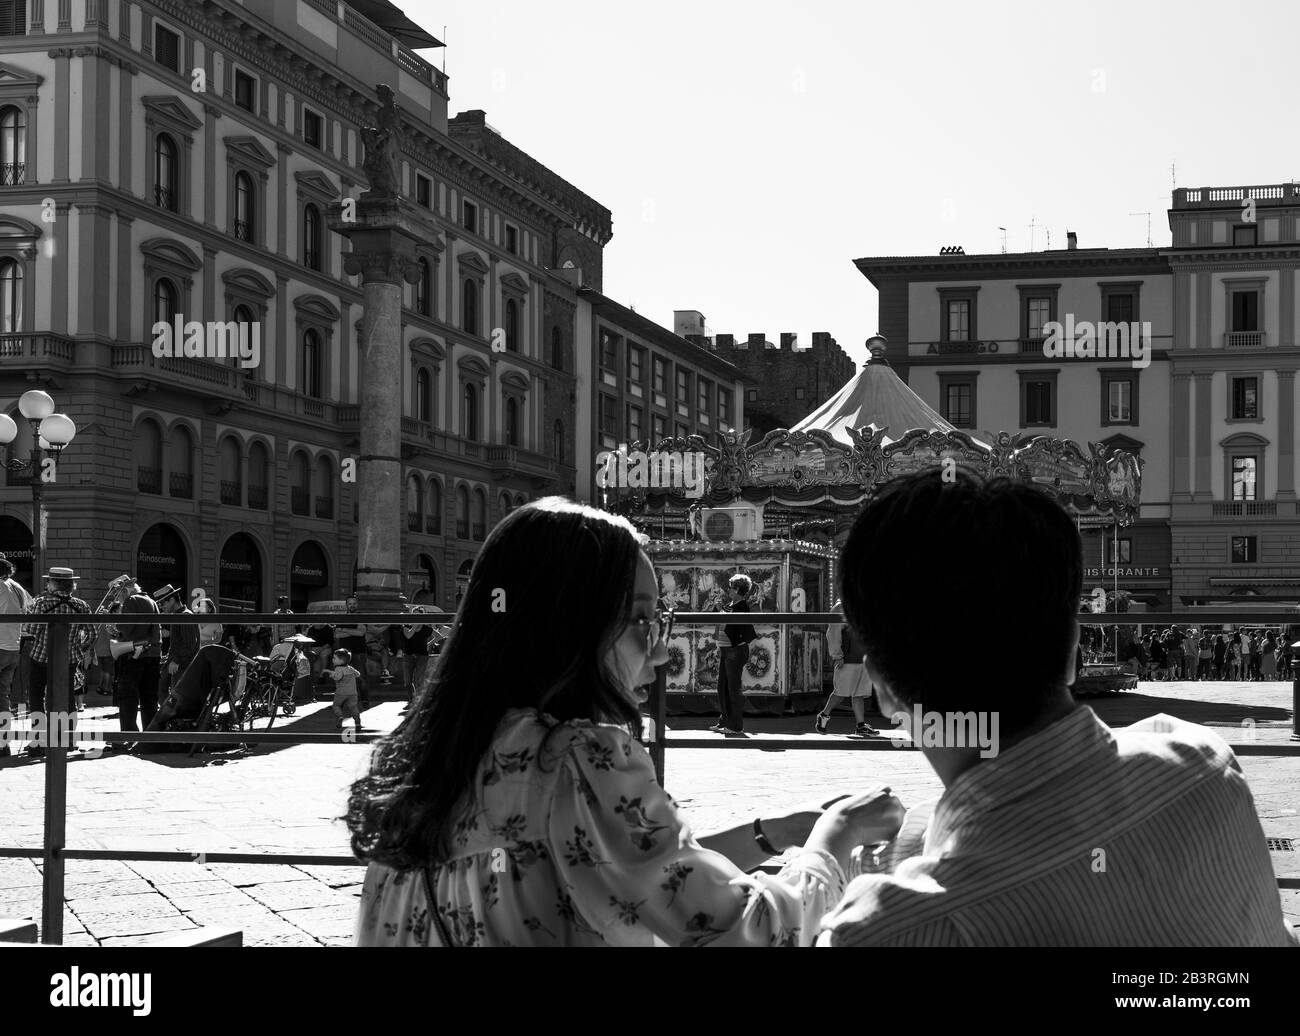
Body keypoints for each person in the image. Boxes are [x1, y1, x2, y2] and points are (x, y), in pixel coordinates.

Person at [348, 498, 903, 946]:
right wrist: (836, 838)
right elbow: (747, 932)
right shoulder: (577, 758)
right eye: (642, 620)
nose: (660, 653)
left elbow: (617, 861)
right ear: (569, 627)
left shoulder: (424, 765)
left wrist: (772, 833)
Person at [818, 471, 1295, 947]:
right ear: (1072, 647)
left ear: (881, 686)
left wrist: (828, 840)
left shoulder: (892, 929)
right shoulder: (1205, 764)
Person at [19, 567, 95, 759]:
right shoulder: (81, 605)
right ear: (71, 584)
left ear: (53, 583)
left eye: (49, 581)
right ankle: (66, 741)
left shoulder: (41, 603)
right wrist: (79, 648)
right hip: (68, 661)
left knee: (37, 698)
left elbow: (31, 630)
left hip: (41, 658)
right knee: (67, 699)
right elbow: (92, 634)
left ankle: (39, 742)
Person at [815, 603, 878, 736]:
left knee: (859, 694)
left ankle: (861, 725)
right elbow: (833, 634)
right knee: (840, 693)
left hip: (864, 657)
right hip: (847, 658)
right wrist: (837, 655)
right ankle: (824, 715)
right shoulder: (840, 607)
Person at [113, 577, 162, 733]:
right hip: (152, 655)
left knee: (128, 697)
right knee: (149, 698)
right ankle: (150, 735)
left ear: (126, 591)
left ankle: (129, 735)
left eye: (118, 594)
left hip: (134, 655)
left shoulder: (131, 601)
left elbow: (126, 629)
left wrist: (115, 624)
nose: (118, 599)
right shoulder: (151, 601)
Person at [710, 573, 757, 737]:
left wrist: (720, 609)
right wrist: (717, 609)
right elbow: (723, 615)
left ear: (737, 589)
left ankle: (736, 726)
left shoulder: (742, 605)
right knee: (722, 687)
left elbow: (730, 618)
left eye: (731, 587)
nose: (729, 590)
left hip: (735, 650)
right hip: (726, 649)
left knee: (733, 688)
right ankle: (725, 720)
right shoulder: (732, 604)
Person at [0, 553, 32, 732]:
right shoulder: (17, 586)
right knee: (2, 696)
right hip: (13, 647)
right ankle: (3, 742)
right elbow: (30, 608)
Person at [155, 585, 197, 703]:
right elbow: (179, 643)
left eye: (163, 603)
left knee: (176, 697)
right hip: (176, 662)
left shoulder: (185, 615)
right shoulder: (179, 615)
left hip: (182, 665)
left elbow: (189, 643)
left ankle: (174, 719)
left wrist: (176, 660)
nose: (162, 607)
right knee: (161, 687)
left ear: (172, 600)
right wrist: (169, 657)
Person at [326, 647, 363, 732]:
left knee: (336, 705)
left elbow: (338, 678)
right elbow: (358, 674)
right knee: (353, 707)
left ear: (341, 661)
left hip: (341, 693)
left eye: (335, 658)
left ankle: (340, 716)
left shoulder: (338, 669)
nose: (333, 659)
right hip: (352, 693)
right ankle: (357, 722)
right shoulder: (350, 668)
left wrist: (332, 675)